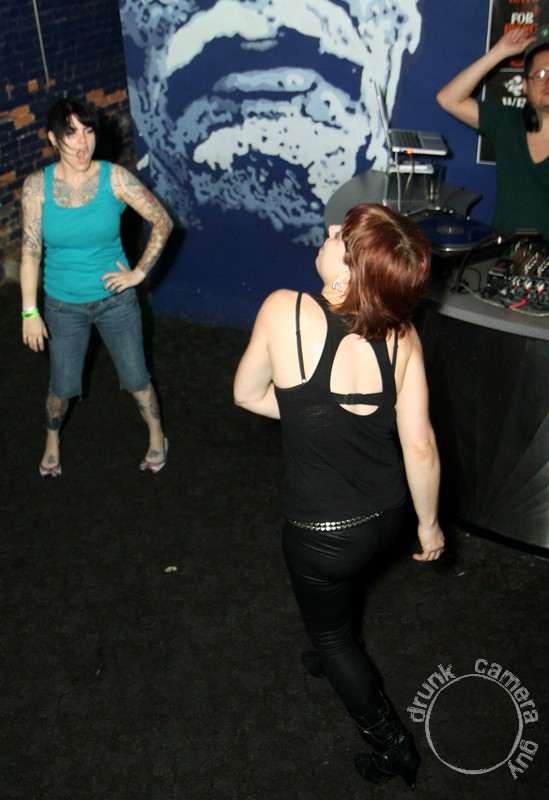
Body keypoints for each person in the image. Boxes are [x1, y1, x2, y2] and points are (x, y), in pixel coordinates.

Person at [233, 203, 445, 787]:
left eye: (340, 236)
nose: (329, 232)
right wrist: (429, 526)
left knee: (331, 639)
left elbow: (247, 394)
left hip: (322, 536)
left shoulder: (284, 309)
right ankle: (333, 637)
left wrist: (309, 414)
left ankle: (393, 747)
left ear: (349, 272)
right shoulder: (403, 335)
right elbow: (420, 445)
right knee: (340, 599)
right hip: (388, 518)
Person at [20, 96, 173, 477]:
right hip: (62, 306)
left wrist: (138, 274)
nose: (82, 142)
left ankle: (157, 435)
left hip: (115, 302)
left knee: (137, 378)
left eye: (88, 131)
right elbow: (30, 253)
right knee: (61, 386)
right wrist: (29, 311)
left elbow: (162, 221)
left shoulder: (114, 178)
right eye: (71, 133)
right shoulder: (37, 187)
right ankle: (51, 440)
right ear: (52, 138)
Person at [437, 26, 549, 239]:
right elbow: (448, 99)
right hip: (503, 249)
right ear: (525, 86)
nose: (547, 82)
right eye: (540, 74)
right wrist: (499, 51)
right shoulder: (507, 122)